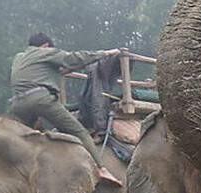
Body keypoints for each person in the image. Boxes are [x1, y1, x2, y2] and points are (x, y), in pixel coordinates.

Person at [9, 33, 123, 183]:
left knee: (21, 139)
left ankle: (14, 172)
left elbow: (38, 74)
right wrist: (106, 53)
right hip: (40, 99)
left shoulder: (19, 57)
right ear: (45, 46)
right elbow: (74, 58)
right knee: (78, 131)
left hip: (17, 104)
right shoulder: (45, 52)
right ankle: (101, 168)